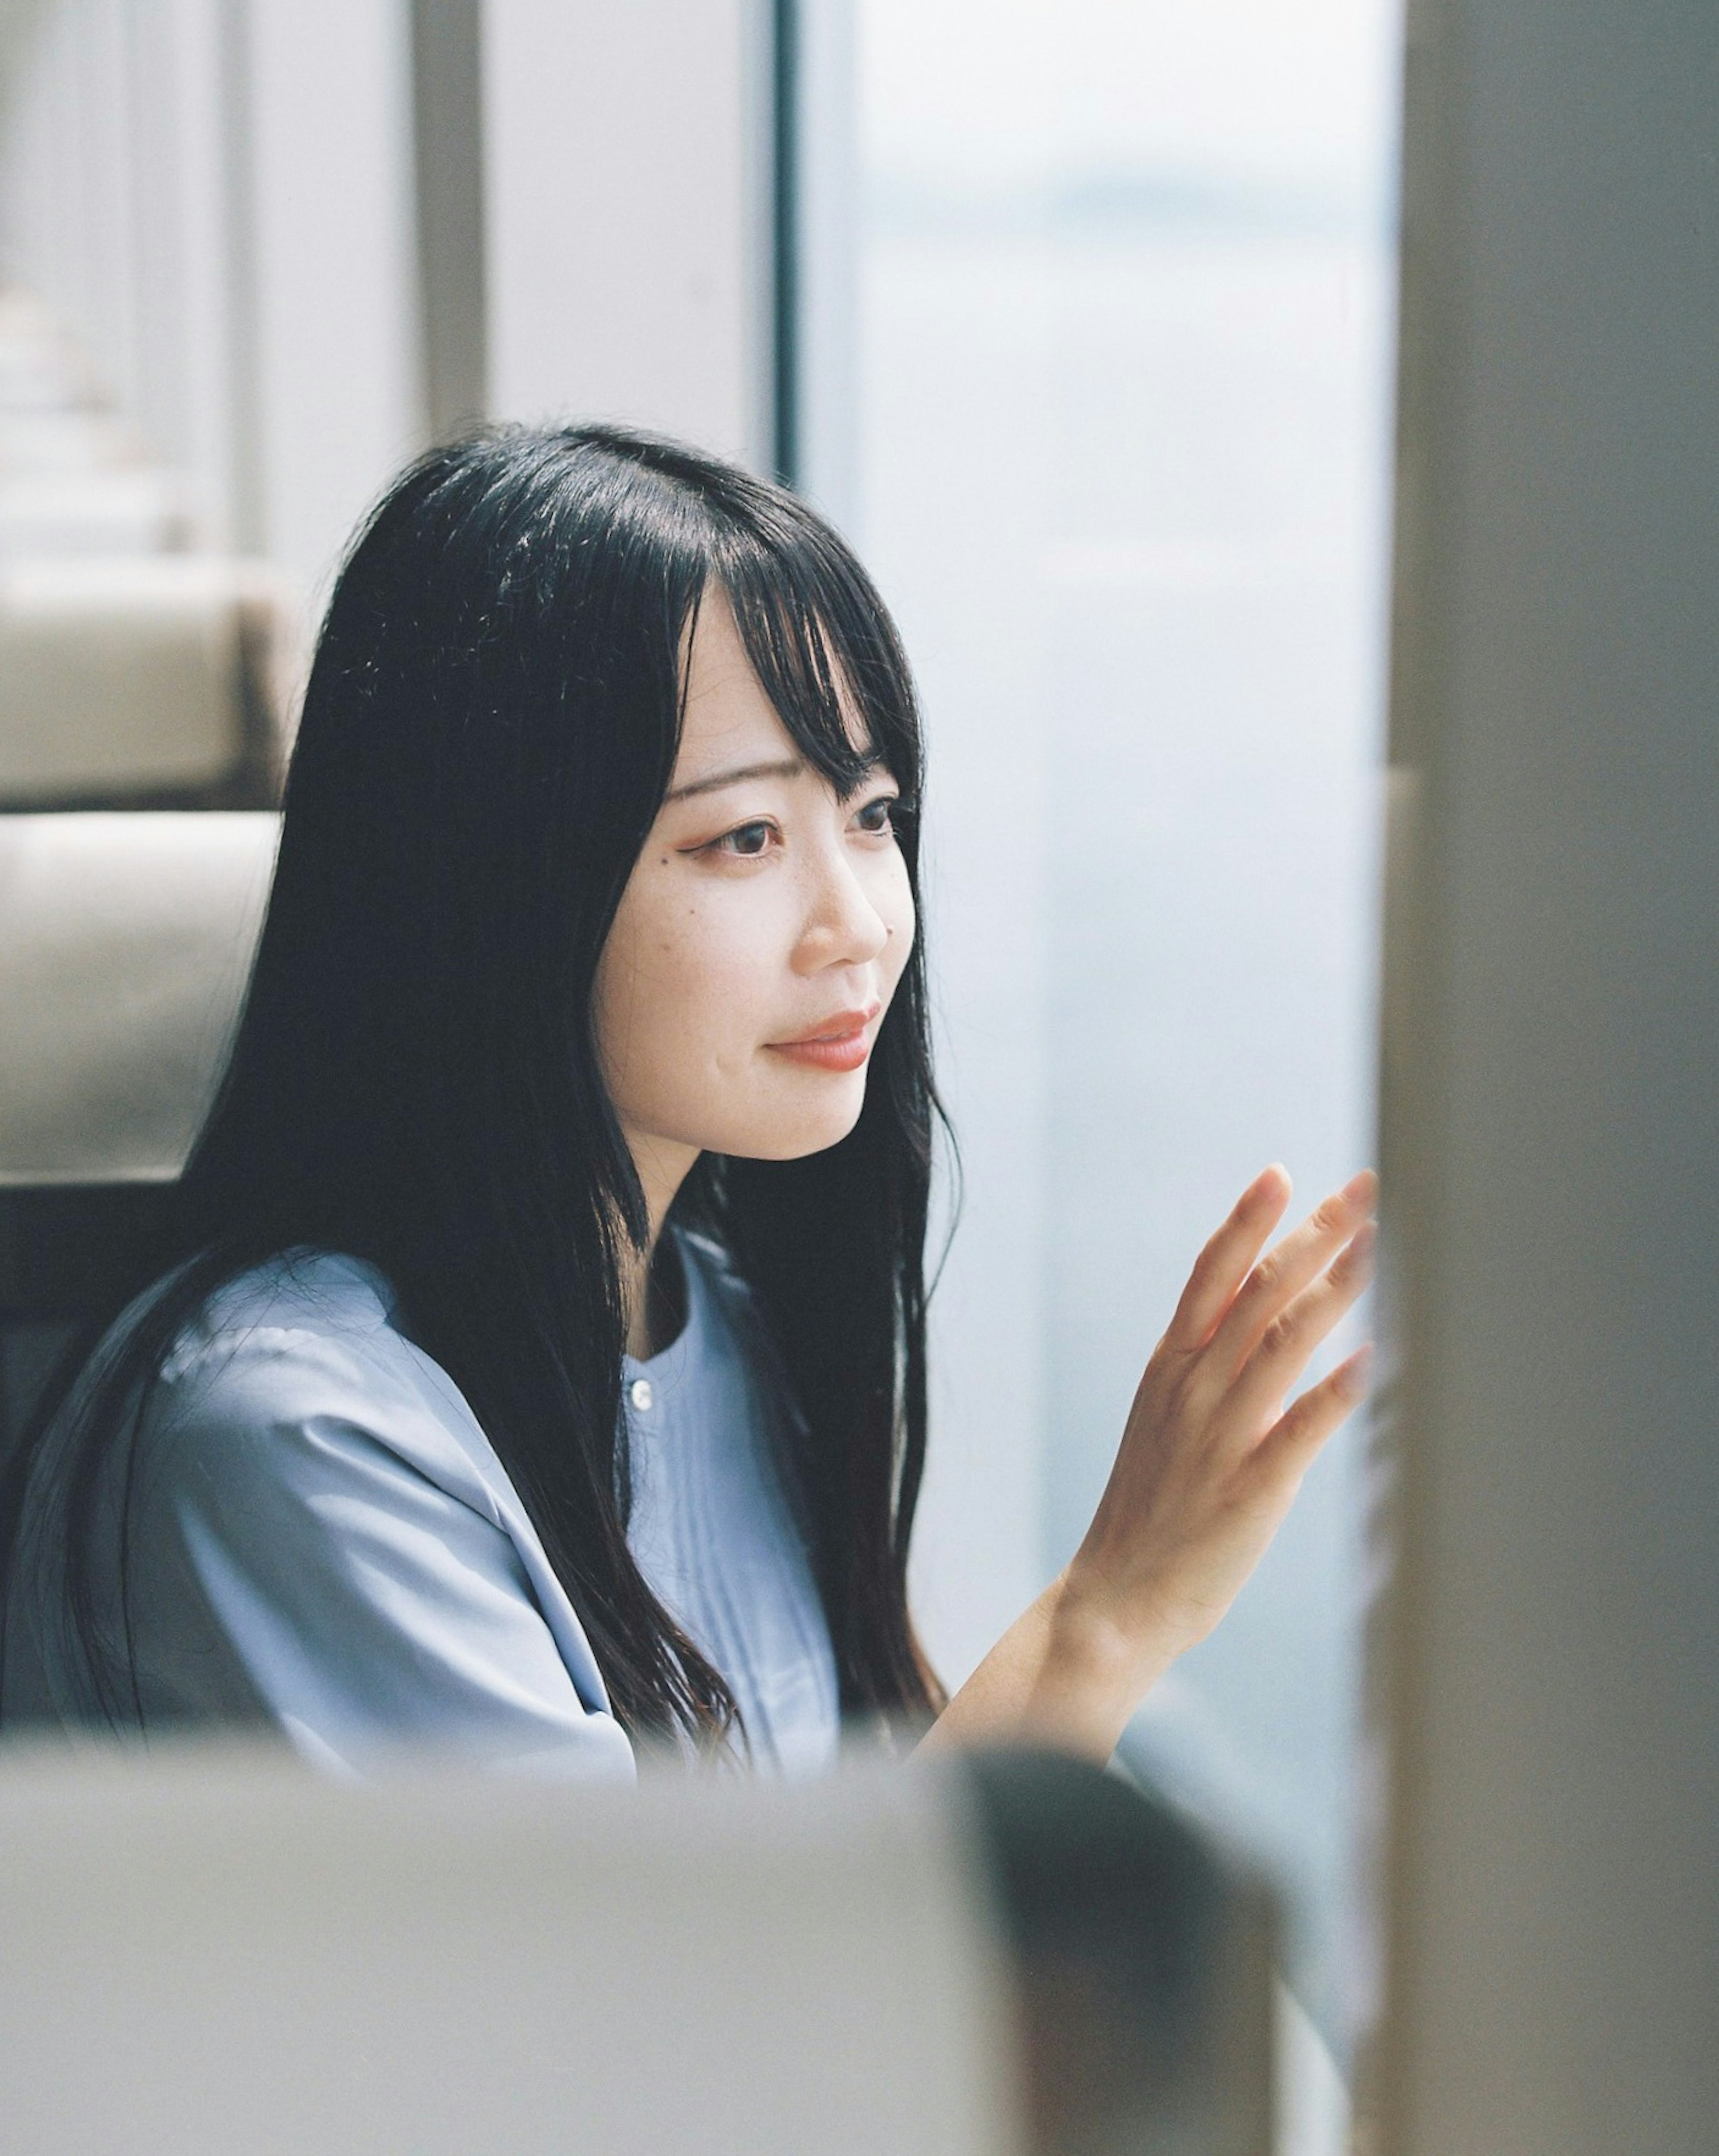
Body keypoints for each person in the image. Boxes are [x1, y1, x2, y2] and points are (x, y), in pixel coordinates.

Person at [0, 426, 1373, 1778]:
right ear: (499, 887)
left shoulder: (727, 1323)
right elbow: (682, 1999)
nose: (858, 923)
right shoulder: (296, 1443)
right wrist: (1105, 1618)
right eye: (747, 838)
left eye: (874, 813)